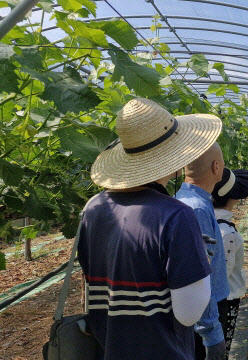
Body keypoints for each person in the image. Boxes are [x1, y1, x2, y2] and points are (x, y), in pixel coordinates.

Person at [79, 98, 222, 360]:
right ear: (178, 157)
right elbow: (188, 314)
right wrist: (197, 257)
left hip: (108, 349)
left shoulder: (93, 208)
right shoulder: (176, 215)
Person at [176, 142, 230, 360]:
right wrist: (212, 335)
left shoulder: (190, 200)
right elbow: (201, 274)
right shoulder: (196, 208)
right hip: (208, 313)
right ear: (216, 167)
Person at [212, 168, 248, 359]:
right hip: (225, 301)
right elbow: (221, 275)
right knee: (222, 346)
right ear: (233, 199)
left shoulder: (207, 221)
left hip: (212, 301)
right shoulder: (227, 233)